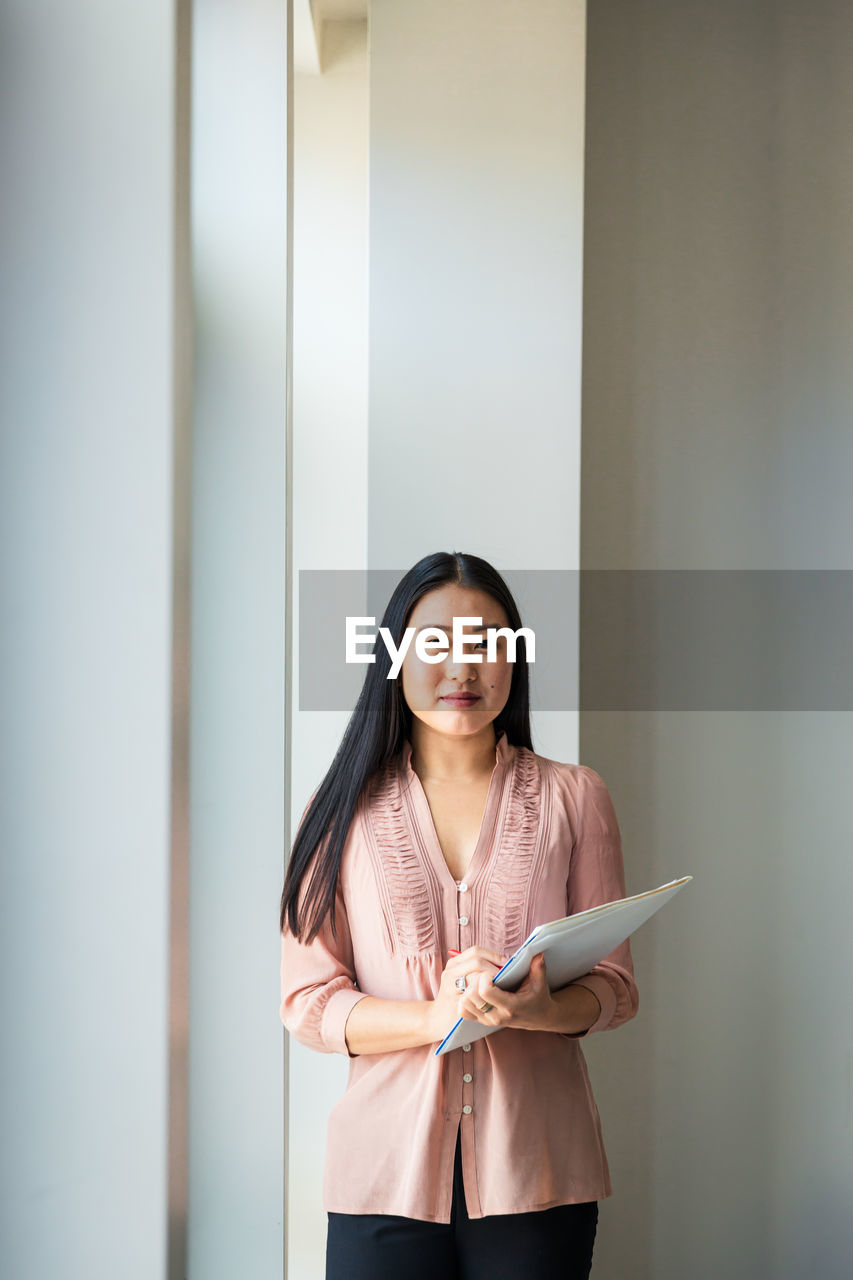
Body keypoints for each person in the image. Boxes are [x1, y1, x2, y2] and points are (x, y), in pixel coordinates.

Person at [279, 551, 639, 1280]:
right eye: (434, 644)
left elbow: (615, 987)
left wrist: (537, 1009)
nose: (462, 668)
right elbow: (308, 1002)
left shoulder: (576, 797)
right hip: (380, 1179)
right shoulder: (337, 811)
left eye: (485, 644)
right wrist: (433, 1020)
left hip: (536, 1173)